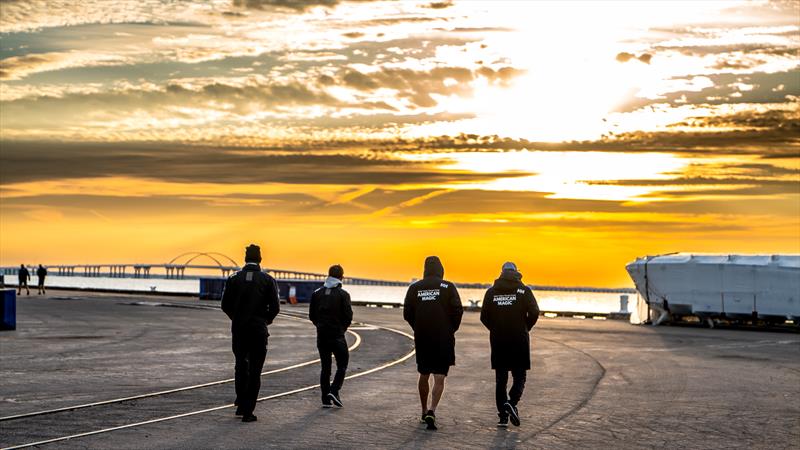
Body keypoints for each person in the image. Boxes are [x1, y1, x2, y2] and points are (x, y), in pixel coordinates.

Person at [221, 244, 280, 423]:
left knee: (240, 365)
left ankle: (240, 403)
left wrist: (236, 318)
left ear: (245, 258)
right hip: (258, 331)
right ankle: (248, 411)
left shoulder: (233, 279)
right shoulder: (268, 280)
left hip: (239, 329)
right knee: (255, 370)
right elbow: (275, 308)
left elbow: (225, 305)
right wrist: (265, 320)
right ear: (260, 259)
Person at [403, 256, 463, 430]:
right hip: (443, 337)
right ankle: (432, 410)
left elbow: (407, 313)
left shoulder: (415, 288)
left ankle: (423, 411)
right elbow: (457, 310)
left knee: (423, 373)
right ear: (441, 270)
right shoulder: (448, 287)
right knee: (439, 376)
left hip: (423, 336)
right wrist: (450, 329)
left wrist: (418, 326)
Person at [479, 262, 540, 428]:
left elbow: (484, 316)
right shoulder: (524, 291)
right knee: (519, 376)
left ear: (501, 273)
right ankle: (511, 403)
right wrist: (525, 326)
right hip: (519, 339)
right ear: (516, 273)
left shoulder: (491, 292)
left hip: (499, 340)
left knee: (501, 379)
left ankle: (503, 417)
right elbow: (534, 312)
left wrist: (496, 328)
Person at [309, 264, 353, 408]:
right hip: (337, 336)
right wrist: (341, 329)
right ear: (341, 277)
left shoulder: (316, 293)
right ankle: (334, 390)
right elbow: (348, 316)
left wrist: (320, 326)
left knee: (325, 367)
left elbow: (312, 316)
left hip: (321, 335)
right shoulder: (343, 295)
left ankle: (325, 398)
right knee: (343, 363)